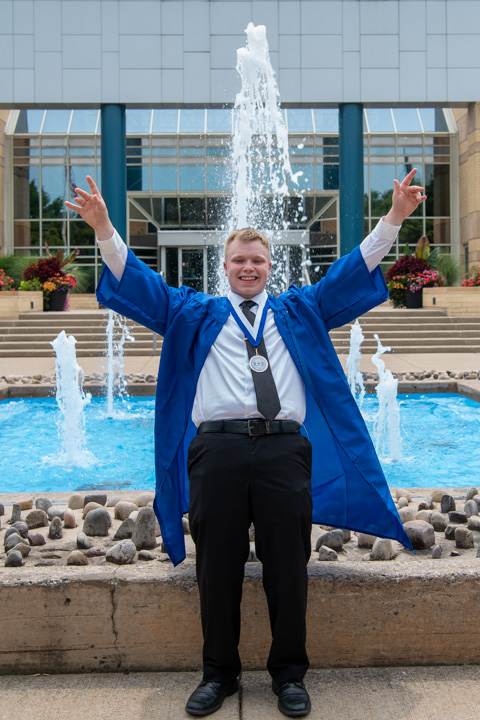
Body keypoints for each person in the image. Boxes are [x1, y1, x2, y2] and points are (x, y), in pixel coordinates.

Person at [66, 169, 425, 718]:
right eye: (239, 260)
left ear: (269, 267)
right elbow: (137, 281)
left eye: (257, 260)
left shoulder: (300, 310)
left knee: (288, 564)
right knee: (217, 567)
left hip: (283, 450)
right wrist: (105, 228)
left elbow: (355, 269)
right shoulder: (194, 312)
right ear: (225, 267)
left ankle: (289, 676)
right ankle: (219, 674)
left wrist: (395, 217)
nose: (249, 268)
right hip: (218, 452)